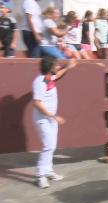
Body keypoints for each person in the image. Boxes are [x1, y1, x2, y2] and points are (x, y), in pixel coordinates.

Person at [32, 56, 76, 188]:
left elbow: (58, 74)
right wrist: (54, 116)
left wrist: (67, 67)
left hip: (51, 118)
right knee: (48, 146)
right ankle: (40, 176)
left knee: (52, 145)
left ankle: (48, 171)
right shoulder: (39, 82)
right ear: (50, 68)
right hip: (43, 119)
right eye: (56, 65)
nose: (58, 67)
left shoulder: (49, 78)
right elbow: (37, 103)